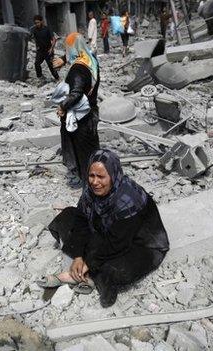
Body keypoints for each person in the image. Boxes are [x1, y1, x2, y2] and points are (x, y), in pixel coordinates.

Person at [38, 149, 170, 307]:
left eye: (101, 177)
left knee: (117, 269)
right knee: (67, 217)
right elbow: (81, 219)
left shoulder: (129, 198)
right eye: (91, 175)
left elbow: (118, 242)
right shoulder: (91, 189)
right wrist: (79, 256)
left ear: (113, 176)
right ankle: (89, 275)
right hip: (108, 230)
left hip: (139, 243)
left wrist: (89, 261)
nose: (94, 182)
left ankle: (84, 275)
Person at [51, 33, 100, 184]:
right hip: (91, 112)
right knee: (91, 150)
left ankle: (86, 183)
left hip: (80, 119)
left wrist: (62, 106)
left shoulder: (77, 69)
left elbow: (76, 93)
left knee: (82, 153)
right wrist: (64, 60)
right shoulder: (91, 60)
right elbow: (76, 55)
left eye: (67, 49)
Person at [30, 15, 59, 82]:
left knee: (51, 66)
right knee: (37, 64)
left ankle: (57, 78)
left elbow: (54, 39)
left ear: (42, 21)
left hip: (48, 50)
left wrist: (51, 49)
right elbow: (31, 37)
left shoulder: (47, 29)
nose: (37, 24)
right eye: (35, 23)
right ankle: (40, 78)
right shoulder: (34, 30)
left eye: (38, 22)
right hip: (40, 51)